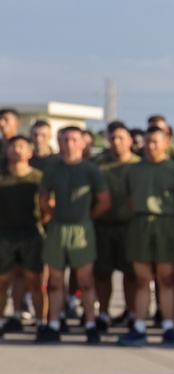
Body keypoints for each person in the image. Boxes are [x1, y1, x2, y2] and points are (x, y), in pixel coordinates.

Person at [36, 126, 111, 343]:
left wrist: (86, 218)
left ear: (82, 143)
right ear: (60, 142)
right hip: (58, 228)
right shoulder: (52, 169)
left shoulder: (91, 170)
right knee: (55, 280)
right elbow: (43, 199)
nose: (69, 144)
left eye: (74, 139)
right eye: (66, 139)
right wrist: (56, 214)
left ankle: (89, 323)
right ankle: (54, 323)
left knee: (85, 280)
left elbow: (104, 200)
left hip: (82, 229)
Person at [118, 126, 174, 346]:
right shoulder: (134, 170)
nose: (151, 146)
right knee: (141, 279)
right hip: (140, 223)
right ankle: (139, 326)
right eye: (147, 141)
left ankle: (168, 326)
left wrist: (170, 220)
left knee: (166, 278)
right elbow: (129, 200)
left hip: (166, 222)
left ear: (167, 142)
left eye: (156, 141)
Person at [93, 121, 140, 330]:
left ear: (130, 141)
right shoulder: (99, 165)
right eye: (113, 138)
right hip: (103, 226)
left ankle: (131, 313)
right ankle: (103, 313)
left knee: (131, 274)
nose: (116, 142)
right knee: (102, 273)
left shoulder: (139, 165)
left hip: (130, 227)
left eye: (121, 138)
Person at [0, 136, 47, 338]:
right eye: (13, 146)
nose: (16, 150)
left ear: (30, 152)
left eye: (21, 146)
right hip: (5, 234)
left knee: (35, 281)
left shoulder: (39, 178)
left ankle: (42, 323)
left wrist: (40, 223)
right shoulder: (1, 177)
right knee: (2, 282)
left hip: (31, 233)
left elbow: (47, 208)